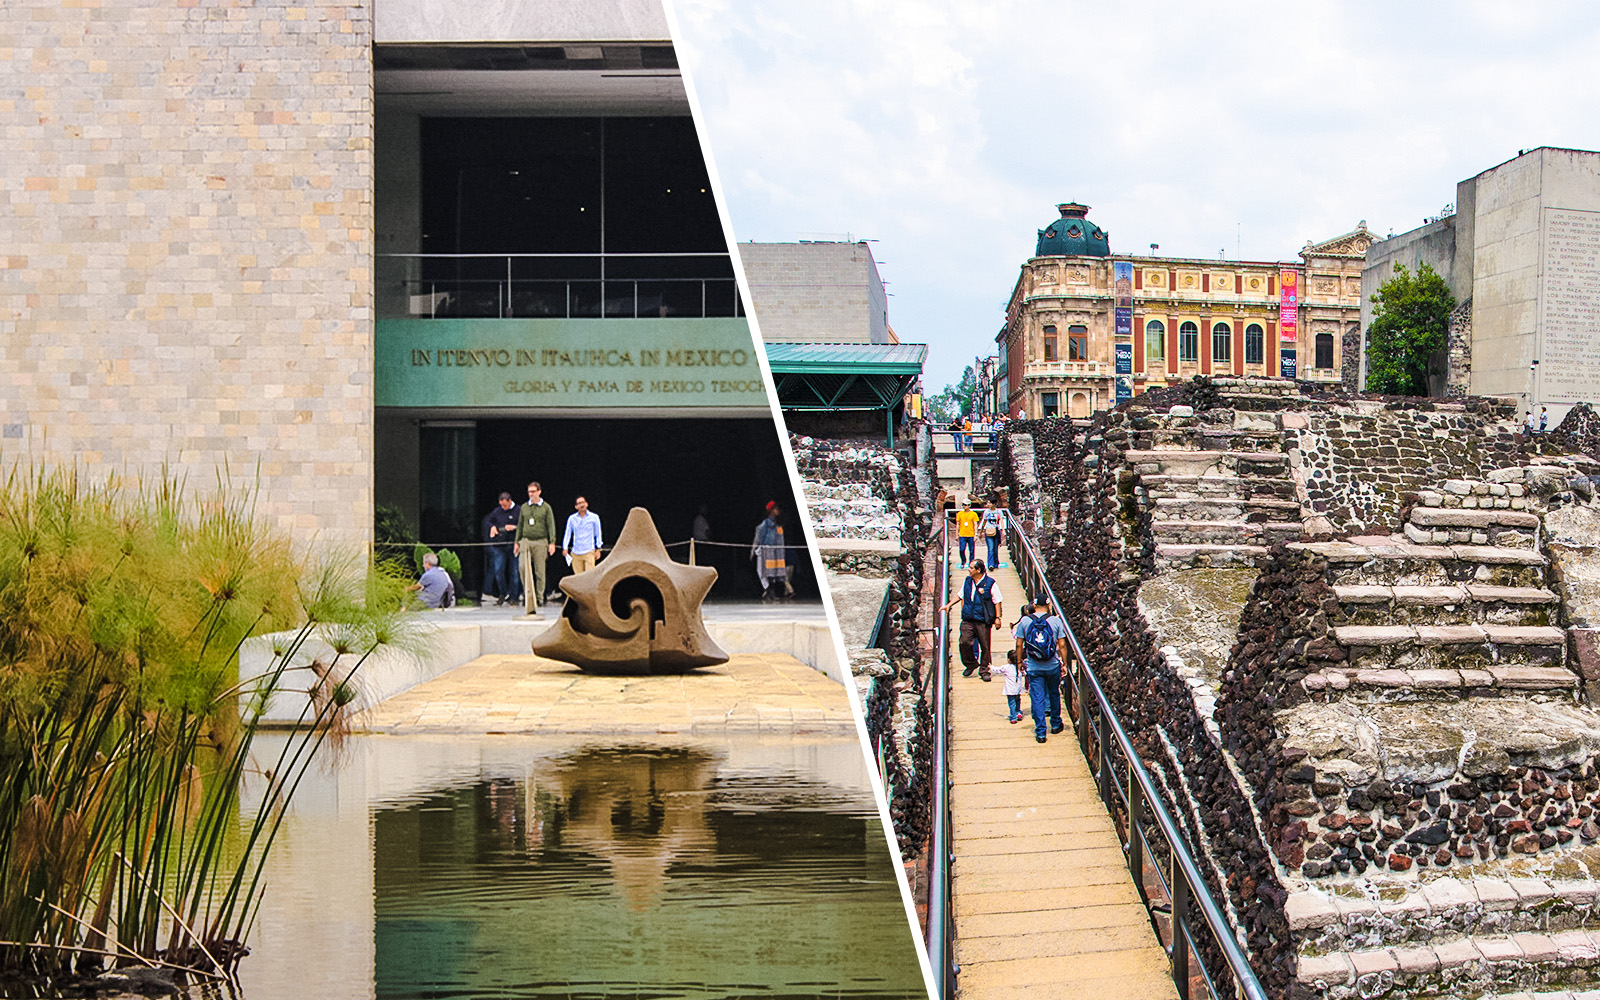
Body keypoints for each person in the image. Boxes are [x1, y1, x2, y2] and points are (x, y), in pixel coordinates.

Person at [1013, 593, 1068, 744]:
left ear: (1034, 606)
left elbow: (1019, 644)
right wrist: (1064, 663)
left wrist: (1019, 662)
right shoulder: (1055, 621)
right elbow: (1062, 645)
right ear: (1049, 605)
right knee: (1054, 693)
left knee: (1037, 698)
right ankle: (1056, 724)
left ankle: (1041, 732)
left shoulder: (1024, 621)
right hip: (1052, 665)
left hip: (1034, 667)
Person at [942, 559, 1001, 681]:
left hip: (983, 619)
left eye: (971, 568)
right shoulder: (968, 581)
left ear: (978, 570)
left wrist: (997, 618)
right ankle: (971, 663)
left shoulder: (990, 583)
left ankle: (984, 670)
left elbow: (997, 601)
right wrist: (949, 605)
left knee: (985, 646)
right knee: (964, 642)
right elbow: (960, 595)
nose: (969, 570)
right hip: (968, 617)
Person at [514, 480, 558, 617]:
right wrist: (517, 541)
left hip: (540, 541)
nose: (531, 494)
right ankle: (528, 595)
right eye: (529, 492)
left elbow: (551, 525)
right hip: (525, 541)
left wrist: (552, 542)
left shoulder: (546, 507)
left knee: (540, 571)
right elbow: (520, 525)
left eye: (533, 492)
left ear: (539, 492)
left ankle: (539, 598)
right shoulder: (524, 507)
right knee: (522, 567)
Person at [481, 492, 520, 606]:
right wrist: (493, 527)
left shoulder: (518, 510)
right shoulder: (497, 511)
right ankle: (503, 593)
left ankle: (514, 596)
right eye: (501, 505)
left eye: (505, 505)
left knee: (515, 572)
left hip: (513, 544)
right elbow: (489, 521)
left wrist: (514, 527)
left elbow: (524, 525)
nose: (503, 507)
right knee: (498, 571)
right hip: (499, 546)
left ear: (510, 501)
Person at [751, 501, 794, 601]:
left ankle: (771, 592)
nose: (778, 511)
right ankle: (769, 592)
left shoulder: (777, 525)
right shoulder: (765, 524)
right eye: (775, 509)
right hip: (767, 551)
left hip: (776, 552)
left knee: (775, 572)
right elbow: (760, 538)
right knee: (767, 572)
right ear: (771, 511)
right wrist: (756, 550)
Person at [562, 495, 604, 575]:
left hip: (589, 551)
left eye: (583, 502)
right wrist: (565, 547)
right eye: (579, 503)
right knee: (578, 578)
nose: (582, 505)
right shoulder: (572, 519)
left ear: (587, 504)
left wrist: (598, 549)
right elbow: (567, 533)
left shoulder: (594, 517)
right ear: (576, 506)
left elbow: (598, 534)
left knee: (589, 576)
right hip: (576, 552)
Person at [955, 498, 980, 567]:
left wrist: (976, 534)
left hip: (970, 534)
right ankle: (963, 561)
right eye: (963, 505)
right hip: (962, 534)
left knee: (971, 550)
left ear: (969, 505)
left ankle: (971, 563)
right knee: (961, 549)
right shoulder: (960, 514)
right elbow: (958, 524)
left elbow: (975, 524)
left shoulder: (973, 514)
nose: (964, 506)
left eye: (965, 505)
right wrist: (956, 534)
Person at [980, 499, 1004, 570]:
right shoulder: (986, 512)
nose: (988, 504)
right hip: (988, 531)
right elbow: (984, 521)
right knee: (990, 548)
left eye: (989, 503)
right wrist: (981, 531)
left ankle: (996, 563)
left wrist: (1003, 529)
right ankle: (990, 564)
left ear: (994, 504)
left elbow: (1001, 521)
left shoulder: (999, 512)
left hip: (996, 531)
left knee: (995, 549)